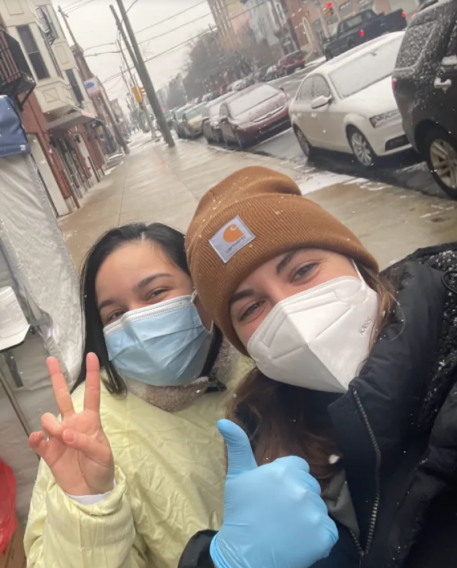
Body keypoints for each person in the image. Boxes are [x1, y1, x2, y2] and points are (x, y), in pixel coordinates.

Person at [179, 166, 457, 568]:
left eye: (303, 271)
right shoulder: (265, 442)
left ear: (354, 261)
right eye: (252, 307)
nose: (290, 311)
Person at [23, 223, 245, 568]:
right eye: (116, 313)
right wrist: (89, 508)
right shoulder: (86, 427)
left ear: (200, 287)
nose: (137, 321)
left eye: (155, 293)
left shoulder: (257, 361)